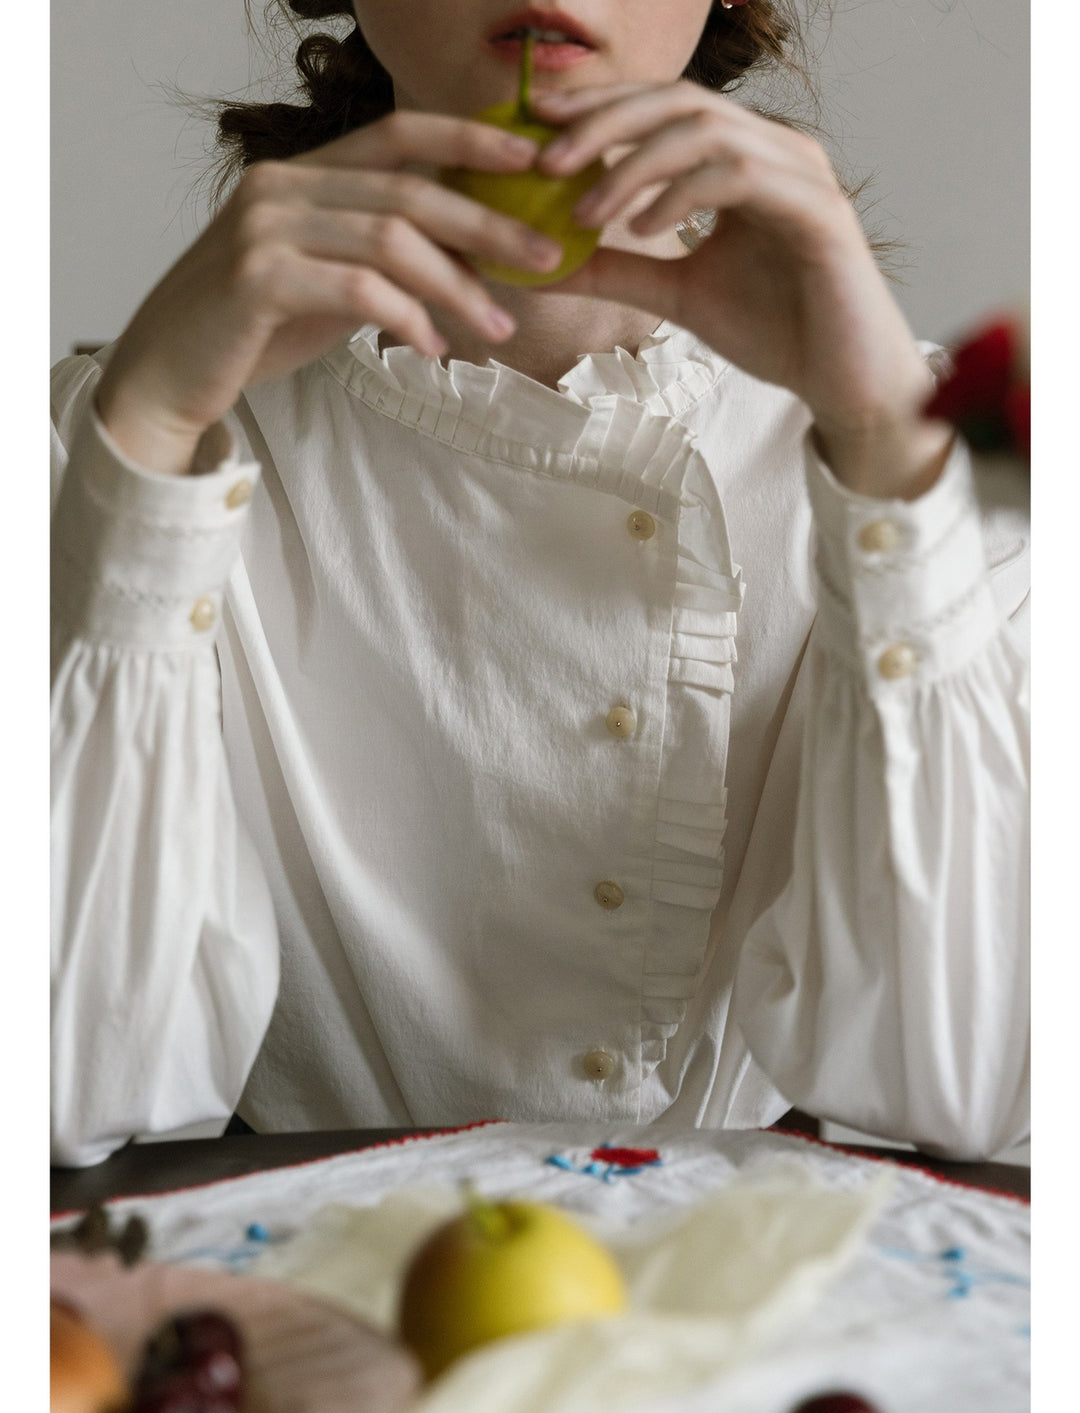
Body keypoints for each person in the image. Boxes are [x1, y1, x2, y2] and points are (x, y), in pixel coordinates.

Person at [50, 0, 1029, 1167]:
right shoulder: (106, 445)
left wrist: (884, 461)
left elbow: (969, 1096)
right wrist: (149, 440)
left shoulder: (959, 478)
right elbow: (65, 1093)